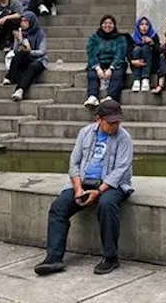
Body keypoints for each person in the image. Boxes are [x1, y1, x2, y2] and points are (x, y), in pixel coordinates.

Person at [34, 99, 134, 277]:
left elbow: (121, 169)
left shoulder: (124, 137)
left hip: (112, 184)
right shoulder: (85, 133)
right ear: (99, 119)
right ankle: (54, 258)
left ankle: (111, 257)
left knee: (107, 204)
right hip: (85, 181)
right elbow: (74, 162)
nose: (115, 125)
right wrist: (78, 188)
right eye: (110, 122)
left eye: (117, 121)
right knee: (59, 207)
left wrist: (99, 190)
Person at [85, 15, 128, 106]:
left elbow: (120, 55)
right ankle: (92, 96)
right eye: (105, 23)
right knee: (92, 75)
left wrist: (111, 68)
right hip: (99, 62)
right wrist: (97, 68)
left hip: (115, 63)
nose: (108, 25)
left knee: (117, 74)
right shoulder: (94, 37)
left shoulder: (120, 39)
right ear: (101, 24)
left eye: (110, 23)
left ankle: (111, 97)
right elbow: (91, 53)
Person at [6, 12, 50, 101]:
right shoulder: (21, 32)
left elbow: (42, 51)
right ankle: (10, 76)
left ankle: (20, 89)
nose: (23, 23)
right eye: (21, 21)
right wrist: (17, 40)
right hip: (26, 58)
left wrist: (30, 52)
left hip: (39, 60)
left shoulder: (40, 33)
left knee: (32, 67)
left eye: (25, 21)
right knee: (19, 55)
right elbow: (15, 51)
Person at [128, 17, 158, 93]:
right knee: (137, 49)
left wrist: (152, 43)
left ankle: (145, 79)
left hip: (151, 64)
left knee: (145, 48)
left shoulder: (153, 36)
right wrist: (132, 61)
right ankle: (136, 79)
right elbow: (128, 53)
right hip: (135, 64)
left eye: (146, 25)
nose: (144, 27)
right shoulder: (133, 37)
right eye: (142, 24)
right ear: (138, 26)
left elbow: (158, 52)